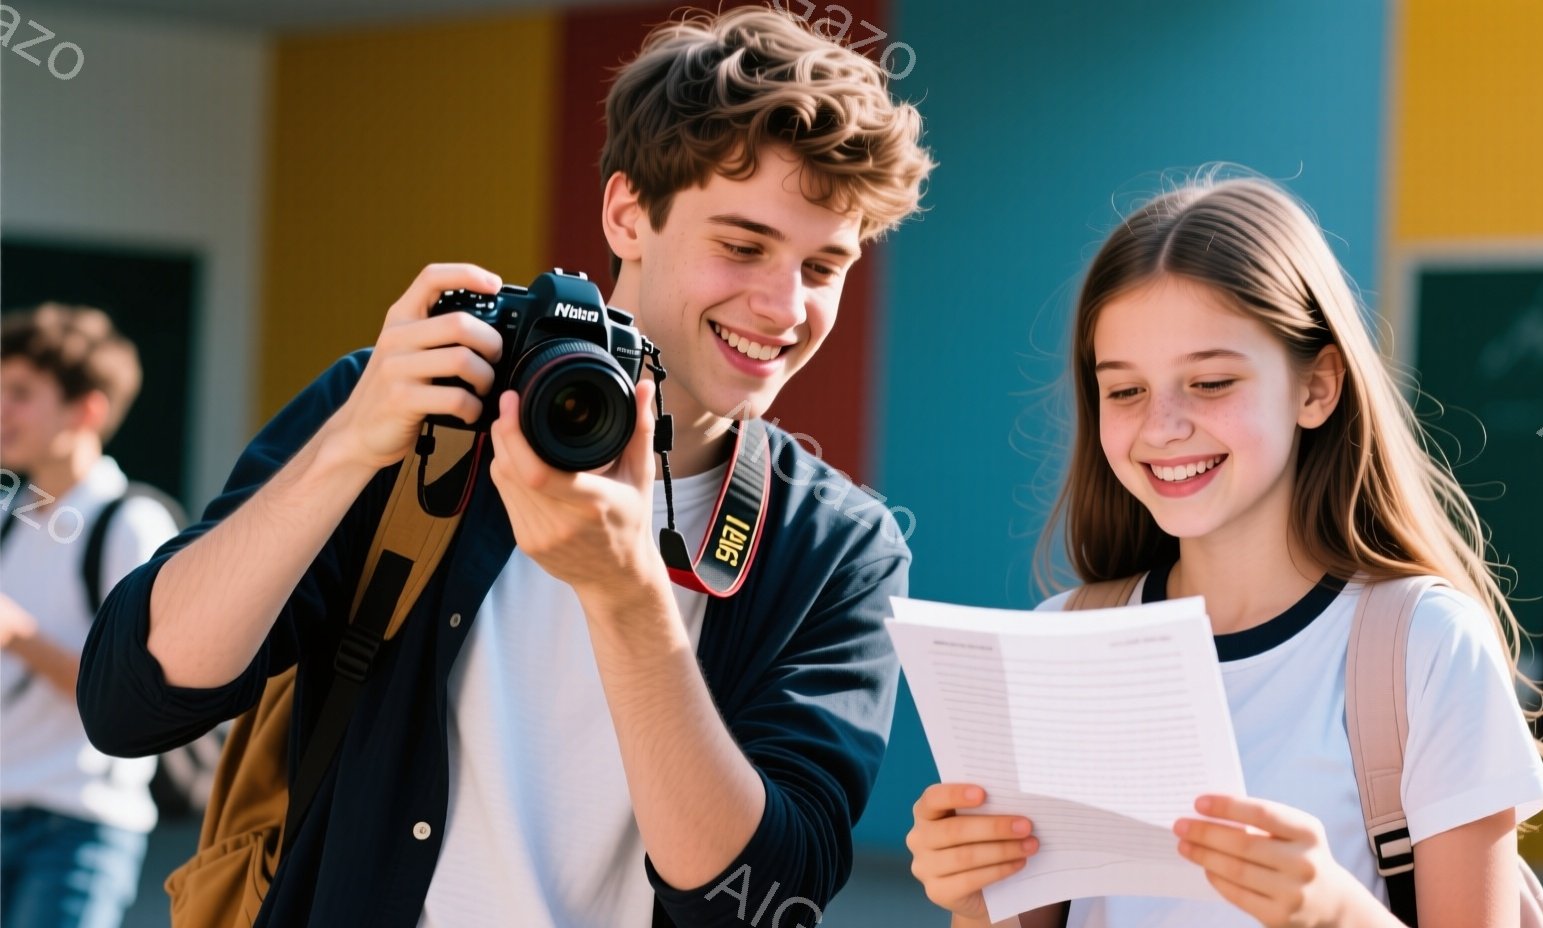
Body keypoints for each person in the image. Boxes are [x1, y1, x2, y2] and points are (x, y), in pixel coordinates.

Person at [77, 8, 933, 927]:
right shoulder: (421, 409)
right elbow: (132, 706)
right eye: (742, 246)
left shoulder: (838, 549)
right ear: (628, 213)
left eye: (824, 267)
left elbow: (767, 905)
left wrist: (627, 599)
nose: (784, 306)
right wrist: (349, 444)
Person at [905, 174, 1543, 927]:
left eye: (1211, 382)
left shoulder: (1425, 644)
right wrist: (975, 899)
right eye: (1124, 391)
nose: (1163, 426)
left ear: (1316, 388)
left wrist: (1336, 913)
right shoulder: (1060, 641)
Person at [1, 304, 180, 928]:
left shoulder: (133, 523)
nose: (2, 408)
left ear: (87, 411)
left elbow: (137, 698)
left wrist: (18, 634)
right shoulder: (19, 510)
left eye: (21, 393)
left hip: (77, 827)